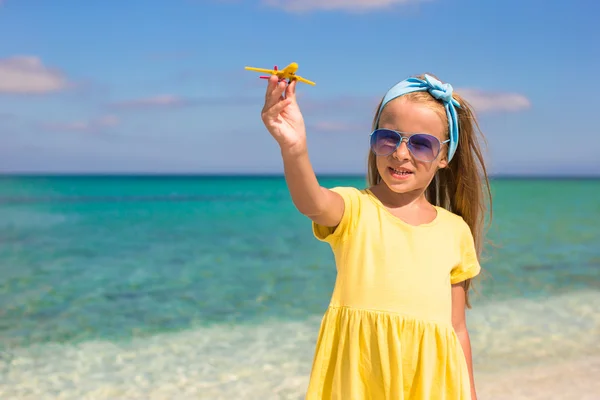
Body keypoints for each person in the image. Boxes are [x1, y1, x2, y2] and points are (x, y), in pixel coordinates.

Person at [259, 72, 492, 400]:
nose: (400, 154)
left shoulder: (455, 231)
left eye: (421, 144)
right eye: (388, 138)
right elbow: (311, 201)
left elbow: (457, 330)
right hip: (360, 380)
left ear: (443, 156)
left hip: (429, 386)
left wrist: (470, 394)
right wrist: (293, 147)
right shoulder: (355, 209)